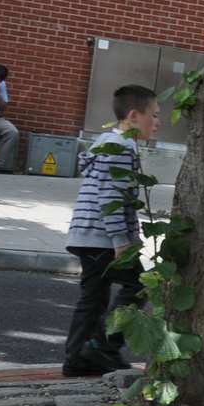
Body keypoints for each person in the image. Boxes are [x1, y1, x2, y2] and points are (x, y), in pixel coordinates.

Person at [63, 85, 159, 378]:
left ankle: (77, 358)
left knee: (92, 298)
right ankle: (103, 345)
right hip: (102, 236)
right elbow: (111, 196)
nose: (157, 123)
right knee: (141, 283)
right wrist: (121, 241)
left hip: (87, 233)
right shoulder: (120, 147)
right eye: (153, 116)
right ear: (133, 116)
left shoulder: (107, 144)